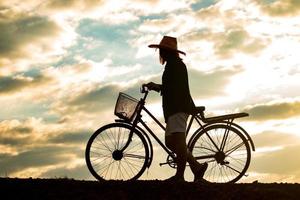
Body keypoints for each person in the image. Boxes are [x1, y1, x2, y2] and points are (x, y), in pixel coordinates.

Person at [145, 36, 208, 182]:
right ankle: (197, 167)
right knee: (171, 142)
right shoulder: (173, 64)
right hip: (175, 108)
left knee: (178, 142)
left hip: (178, 107)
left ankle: (179, 177)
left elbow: (174, 88)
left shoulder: (176, 65)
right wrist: (158, 87)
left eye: (162, 50)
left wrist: (157, 87)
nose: (161, 53)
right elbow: (172, 87)